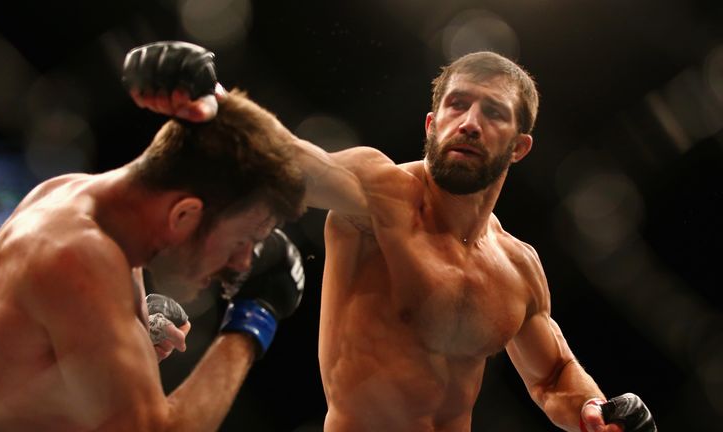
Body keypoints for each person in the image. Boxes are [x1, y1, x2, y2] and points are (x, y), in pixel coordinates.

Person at [125, 42, 657, 432]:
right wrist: (214, 100)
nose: (469, 122)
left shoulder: (518, 267)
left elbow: (553, 376)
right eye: (457, 105)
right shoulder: (379, 196)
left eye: (492, 112)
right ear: (431, 122)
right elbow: (290, 159)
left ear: (518, 148)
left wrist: (592, 410)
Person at [0, 63, 308, 432]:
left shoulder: (64, 193)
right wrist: (254, 318)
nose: (241, 264)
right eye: (243, 240)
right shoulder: (79, 257)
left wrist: (122, 333)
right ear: (184, 214)